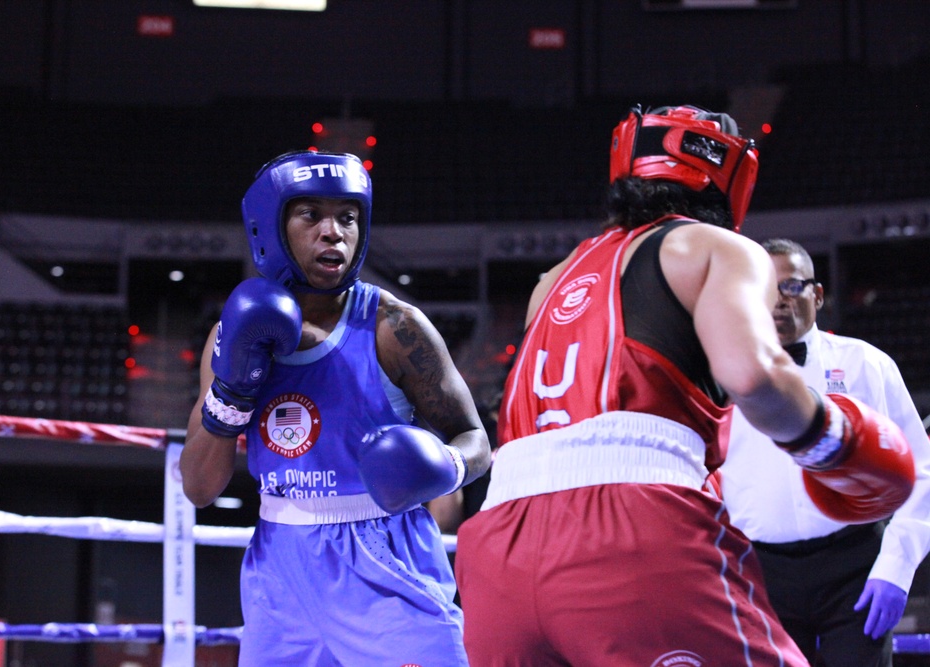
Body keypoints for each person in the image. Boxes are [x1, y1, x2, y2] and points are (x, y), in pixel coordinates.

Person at [454, 105, 916, 667]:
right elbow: (752, 376)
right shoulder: (715, 248)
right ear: (725, 175)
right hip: (631, 527)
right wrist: (835, 440)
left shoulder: (551, 281)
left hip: (500, 544)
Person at [179, 150, 491, 667]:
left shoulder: (394, 326)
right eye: (311, 216)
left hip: (383, 554)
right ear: (271, 227)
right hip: (280, 564)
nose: (334, 232)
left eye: (348, 217)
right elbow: (198, 487)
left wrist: (446, 467)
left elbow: (475, 440)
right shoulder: (231, 337)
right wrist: (231, 394)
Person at [720, 238, 930, 666]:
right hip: (758, 571)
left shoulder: (866, 365)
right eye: (766, 289)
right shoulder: (721, 375)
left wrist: (897, 566)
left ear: (816, 294)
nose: (779, 301)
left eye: (792, 287)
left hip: (855, 566)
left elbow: (922, 469)